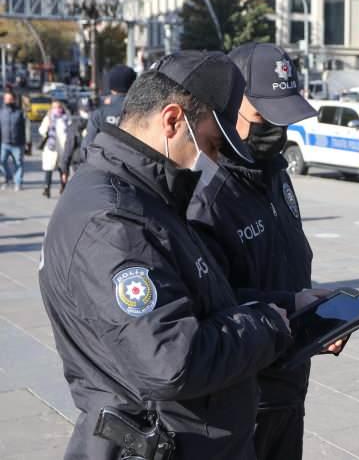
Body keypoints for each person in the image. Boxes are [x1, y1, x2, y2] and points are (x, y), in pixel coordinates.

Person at [39, 50, 293, 459]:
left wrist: (289, 305)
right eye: (212, 143)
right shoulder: (113, 221)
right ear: (173, 120)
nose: (215, 159)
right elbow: (171, 360)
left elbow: (196, 303)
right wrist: (267, 324)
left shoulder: (147, 197)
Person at [188, 42, 340, 460]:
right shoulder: (208, 199)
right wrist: (290, 311)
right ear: (226, 108)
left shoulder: (275, 175)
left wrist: (314, 322)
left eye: (286, 118)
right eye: (263, 118)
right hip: (243, 402)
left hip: (290, 383)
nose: (277, 130)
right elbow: (207, 312)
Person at [81, 64, 137, 153]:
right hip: (135, 164)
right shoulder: (142, 112)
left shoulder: (99, 114)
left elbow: (87, 147)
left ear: (111, 87)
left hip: (103, 164)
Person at [38, 100, 69, 198]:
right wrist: (47, 129)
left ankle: (63, 187)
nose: (57, 109)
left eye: (58, 107)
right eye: (54, 107)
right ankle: (47, 188)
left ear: (62, 107)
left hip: (63, 148)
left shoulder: (66, 117)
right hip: (51, 147)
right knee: (49, 168)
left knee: (63, 168)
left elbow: (70, 130)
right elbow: (41, 130)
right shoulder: (48, 118)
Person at [0, 91, 26, 191]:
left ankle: (18, 182)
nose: (8, 101)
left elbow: (25, 128)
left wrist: (27, 143)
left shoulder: (19, 112)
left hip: (18, 143)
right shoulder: (1, 112)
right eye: (6, 99)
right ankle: (8, 178)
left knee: (18, 163)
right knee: (2, 161)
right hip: (4, 143)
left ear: (14, 100)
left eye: (10, 99)